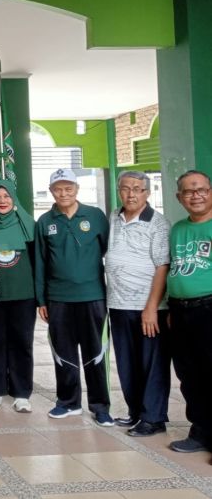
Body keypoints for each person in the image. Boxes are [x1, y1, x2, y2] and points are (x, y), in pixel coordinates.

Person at [35, 168, 112, 426]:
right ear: (51, 192)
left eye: (68, 188)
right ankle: (68, 402)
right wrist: (41, 300)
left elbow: (106, 251)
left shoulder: (95, 216)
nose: (64, 193)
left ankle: (100, 406)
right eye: (58, 189)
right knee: (63, 353)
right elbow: (41, 263)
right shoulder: (45, 222)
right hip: (58, 299)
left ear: (77, 189)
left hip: (93, 296)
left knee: (95, 353)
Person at [105, 171, 171, 437]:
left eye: (137, 189)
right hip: (119, 304)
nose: (131, 194)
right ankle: (136, 412)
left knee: (151, 364)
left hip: (148, 308)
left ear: (147, 192)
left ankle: (153, 418)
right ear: (119, 191)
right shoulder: (113, 218)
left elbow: (162, 266)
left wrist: (151, 308)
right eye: (125, 188)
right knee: (127, 362)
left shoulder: (158, 223)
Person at [165, 170, 212, 454]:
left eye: (202, 190)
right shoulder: (178, 229)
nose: (196, 195)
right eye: (189, 191)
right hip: (180, 311)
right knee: (189, 375)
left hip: (209, 307)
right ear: (179, 198)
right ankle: (200, 432)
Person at [0, 178, 36, 414]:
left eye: (6, 196)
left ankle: (22, 393)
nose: (2, 201)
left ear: (13, 199)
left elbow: (38, 261)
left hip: (23, 294)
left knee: (22, 343)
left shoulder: (27, 223)